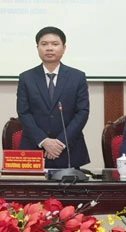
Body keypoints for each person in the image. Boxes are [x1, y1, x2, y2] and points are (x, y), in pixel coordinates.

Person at [16, 26, 90, 169]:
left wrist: (60, 143)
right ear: (37, 47)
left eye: (55, 44)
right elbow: (24, 113)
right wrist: (44, 141)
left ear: (64, 47)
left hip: (69, 150)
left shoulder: (77, 77)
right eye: (44, 44)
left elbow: (82, 112)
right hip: (35, 149)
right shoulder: (26, 78)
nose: (49, 48)